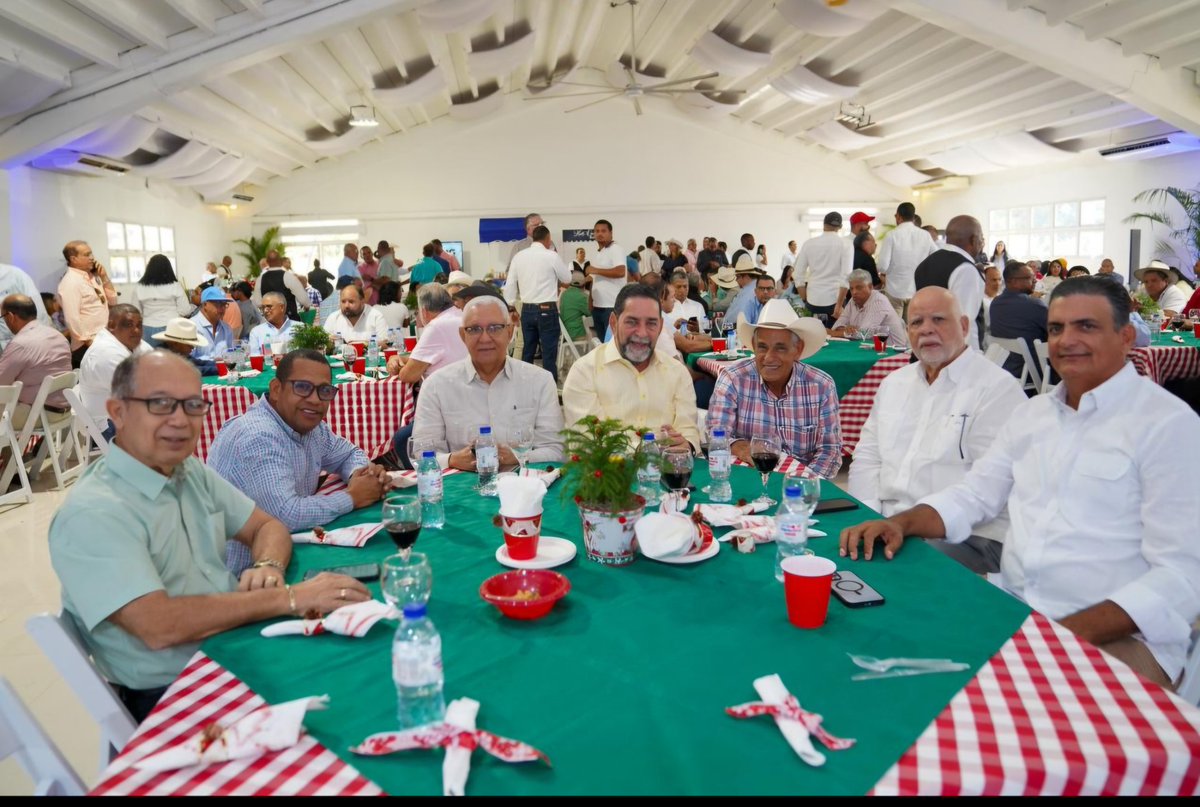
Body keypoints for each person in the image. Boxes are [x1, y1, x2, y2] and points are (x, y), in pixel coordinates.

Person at [840, 277, 1200, 689]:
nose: (1067, 340)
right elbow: (974, 494)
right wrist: (901, 523)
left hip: (1122, 637)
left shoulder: (1168, 425)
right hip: (1017, 608)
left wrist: (1059, 634)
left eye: (1087, 326)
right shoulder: (1035, 416)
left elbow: (1183, 576)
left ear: (1126, 337)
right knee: (889, 657)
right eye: (1056, 328)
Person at [48, 350, 369, 722]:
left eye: (193, 405)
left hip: (233, 645)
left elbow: (268, 526)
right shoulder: (94, 512)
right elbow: (160, 626)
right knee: (353, 703)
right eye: (161, 404)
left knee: (367, 659)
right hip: (178, 692)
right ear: (117, 412)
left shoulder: (185, 472)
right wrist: (289, 598)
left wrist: (266, 564)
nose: (181, 421)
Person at [848, 287, 1026, 573]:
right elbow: (868, 457)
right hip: (891, 522)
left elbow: (986, 493)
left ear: (964, 326)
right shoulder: (894, 383)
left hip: (965, 534)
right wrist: (868, 516)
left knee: (899, 571)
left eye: (939, 319)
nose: (927, 330)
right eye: (917, 322)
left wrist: (906, 524)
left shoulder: (997, 390)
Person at [210, 348, 389, 564]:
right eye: (302, 388)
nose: (315, 400)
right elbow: (287, 514)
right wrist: (353, 497)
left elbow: (349, 454)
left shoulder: (309, 427)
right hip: (241, 580)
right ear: (276, 389)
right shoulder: (257, 436)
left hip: (284, 556)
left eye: (324, 391)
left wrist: (360, 476)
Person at [411, 295, 564, 470]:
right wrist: (452, 459)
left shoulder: (539, 381)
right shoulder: (436, 386)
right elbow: (421, 454)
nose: (484, 338)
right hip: (461, 488)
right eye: (474, 329)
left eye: (494, 328)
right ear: (463, 335)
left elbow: (556, 450)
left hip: (523, 486)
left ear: (509, 332)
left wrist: (517, 455)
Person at [706, 299, 842, 478]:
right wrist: (736, 445)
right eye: (762, 347)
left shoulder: (822, 385)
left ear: (798, 350)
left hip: (801, 485)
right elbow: (716, 435)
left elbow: (830, 450)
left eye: (780, 348)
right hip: (749, 478)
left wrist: (804, 484)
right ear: (753, 347)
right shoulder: (733, 379)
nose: (769, 357)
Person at [563, 283, 700, 450]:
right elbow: (588, 444)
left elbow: (688, 434)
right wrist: (651, 448)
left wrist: (686, 445)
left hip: (667, 473)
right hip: (606, 474)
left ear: (661, 326)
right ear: (613, 323)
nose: (642, 333)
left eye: (651, 323)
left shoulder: (676, 372)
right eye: (632, 322)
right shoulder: (585, 373)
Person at [504, 224, 572, 382]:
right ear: (548, 239)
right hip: (547, 309)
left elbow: (510, 284)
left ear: (533, 238)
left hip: (526, 310)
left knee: (528, 352)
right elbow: (567, 279)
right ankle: (549, 393)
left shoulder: (519, 256)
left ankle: (524, 390)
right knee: (548, 355)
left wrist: (511, 307)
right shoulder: (551, 255)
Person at [78, 304, 152, 439]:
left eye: (139, 325)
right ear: (112, 326)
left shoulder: (128, 341)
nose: (136, 330)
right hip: (109, 427)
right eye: (128, 325)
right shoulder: (106, 353)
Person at [913, 215, 986, 349]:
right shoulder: (965, 269)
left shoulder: (925, 264)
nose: (983, 242)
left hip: (929, 346)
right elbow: (965, 323)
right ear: (973, 239)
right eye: (982, 237)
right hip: (955, 355)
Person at [0, 294, 72, 429]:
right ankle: (11, 450)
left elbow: (2, 383)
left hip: (36, 414)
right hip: (63, 411)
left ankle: (10, 450)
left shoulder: (20, 343)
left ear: (10, 316)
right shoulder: (57, 336)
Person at [387, 283, 467, 384]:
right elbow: (427, 358)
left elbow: (408, 376)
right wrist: (401, 359)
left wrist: (399, 368)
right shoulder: (459, 315)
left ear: (424, 311)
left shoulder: (436, 326)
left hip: (444, 394)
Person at [58, 240, 118, 367]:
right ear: (73, 259)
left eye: (91, 254)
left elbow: (113, 300)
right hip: (87, 345)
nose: (92, 258)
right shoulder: (70, 282)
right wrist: (90, 342)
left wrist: (104, 277)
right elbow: (72, 318)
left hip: (103, 339)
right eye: (87, 255)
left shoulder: (92, 277)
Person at [988, 260, 1048, 381]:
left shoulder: (995, 303)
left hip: (1003, 367)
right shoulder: (1034, 305)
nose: (1035, 280)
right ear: (1013, 281)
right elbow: (1057, 331)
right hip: (1034, 373)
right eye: (1030, 278)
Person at [876, 203, 936, 316]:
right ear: (913, 217)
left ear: (898, 216)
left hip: (895, 290)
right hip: (916, 290)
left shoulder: (891, 235)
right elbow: (936, 257)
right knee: (912, 329)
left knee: (895, 329)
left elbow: (882, 266)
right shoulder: (925, 235)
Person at [795, 212, 854, 320]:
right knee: (836, 336)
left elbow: (798, 275)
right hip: (835, 300)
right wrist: (839, 305)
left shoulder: (809, 244)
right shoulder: (846, 244)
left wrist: (805, 299)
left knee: (812, 335)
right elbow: (846, 277)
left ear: (823, 224)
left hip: (812, 299)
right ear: (840, 227)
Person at [829, 270, 908, 348]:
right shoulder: (853, 300)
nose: (854, 292)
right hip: (871, 349)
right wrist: (846, 329)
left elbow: (864, 334)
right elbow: (837, 326)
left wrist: (834, 333)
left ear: (870, 287)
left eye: (858, 288)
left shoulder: (879, 301)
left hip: (893, 352)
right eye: (851, 288)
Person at [585, 219, 629, 341]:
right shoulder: (599, 253)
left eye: (603, 231)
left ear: (611, 233)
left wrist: (595, 270)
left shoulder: (615, 249)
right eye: (597, 231)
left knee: (613, 344)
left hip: (611, 306)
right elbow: (594, 279)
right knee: (602, 345)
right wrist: (590, 299)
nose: (600, 233)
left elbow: (620, 271)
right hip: (598, 306)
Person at [130, 254, 190, 344]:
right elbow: (185, 310)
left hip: (147, 329)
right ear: (168, 268)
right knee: (171, 357)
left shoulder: (139, 287)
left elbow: (135, 312)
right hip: (172, 328)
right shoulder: (175, 285)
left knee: (151, 357)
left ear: (149, 268)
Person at [323, 283, 389, 345]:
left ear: (362, 301)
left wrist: (362, 344)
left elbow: (385, 343)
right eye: (343, 301)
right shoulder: (333, 318)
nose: (346, 306)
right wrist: (329, 341)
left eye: (351, 302)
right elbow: (323, 341)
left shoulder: (376, 316)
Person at [251, 250, 308, 321]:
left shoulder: (260, 279)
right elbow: (303, 298)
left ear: (267, 262)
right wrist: (307, 307)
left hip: (270, 321)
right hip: (289, 319)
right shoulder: (288, 276)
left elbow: (258, 302)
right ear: (281, 261)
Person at [189, 286, 236, 361]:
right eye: (218, 304)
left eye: (224, 304)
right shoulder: (191, 327)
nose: (223, 308)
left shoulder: (226, 328)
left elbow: (232, 355)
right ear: (205, 305)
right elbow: (188, 361)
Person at [723, 262, 774, 326]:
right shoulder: (748, 289)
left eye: (737, 277)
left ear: (746, 276)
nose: (736, 280)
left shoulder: (748, 293)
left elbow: (737, 320)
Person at [560, 270, 591, 342]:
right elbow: (590, 312)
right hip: (577, 334)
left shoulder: (565, 294)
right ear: (583, 284)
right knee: (596, 335)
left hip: (566, 334)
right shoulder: (581, 296)